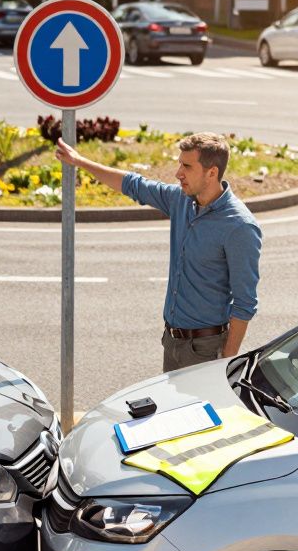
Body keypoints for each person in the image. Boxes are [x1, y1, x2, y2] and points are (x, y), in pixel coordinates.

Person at [55, 132, 262, 372]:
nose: (178, 173)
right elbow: (133, 184)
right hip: (172, 341)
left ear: (212, 173)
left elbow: (245, 303)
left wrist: (225, 360)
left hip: (207, 351)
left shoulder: (239, 226)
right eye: (180, 164)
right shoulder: (181, 200)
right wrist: (79, 161)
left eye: (187, 166)